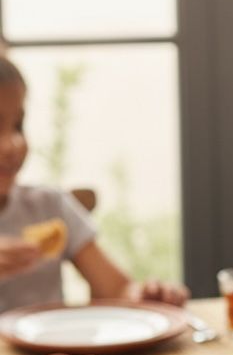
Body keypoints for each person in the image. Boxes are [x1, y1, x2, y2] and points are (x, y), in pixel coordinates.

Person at [0, 56, 188, 312]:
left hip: (55, 340)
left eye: (18, 126)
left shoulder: (48, 205)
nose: (12, 144)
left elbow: (116, 289)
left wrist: (146, 296)